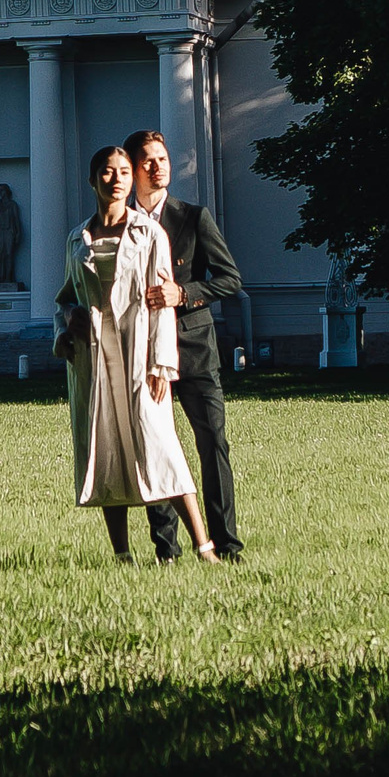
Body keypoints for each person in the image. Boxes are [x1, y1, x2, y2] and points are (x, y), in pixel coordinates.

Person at [61, 129, 245, 562]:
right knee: (143, 444)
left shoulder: (190, 218)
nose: (157, 167)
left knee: (210, 444)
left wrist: (184, 293)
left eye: (162, 159)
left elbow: (230, 279)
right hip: (125, 353)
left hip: (191, 349)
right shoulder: (88, 233)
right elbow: (72, 292)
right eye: (147, 162)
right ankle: (166, 548)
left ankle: (224, 544)